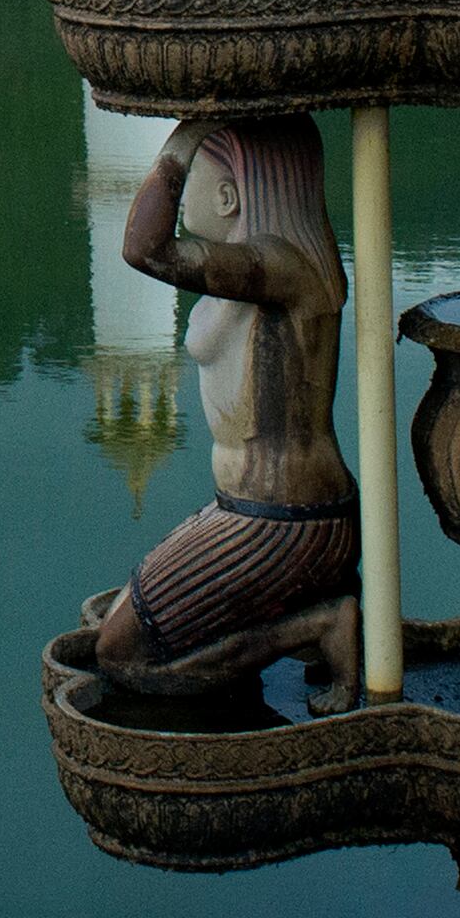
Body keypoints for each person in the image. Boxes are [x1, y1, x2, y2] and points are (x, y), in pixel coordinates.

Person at [87, 115, 361, 698]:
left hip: (282, 519)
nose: (181, 196)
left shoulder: (282, 267)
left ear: (230, 195)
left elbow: (144, 249)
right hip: (256, 507)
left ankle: (318, 625)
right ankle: (307, 624)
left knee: (119, 655)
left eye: (192, 183)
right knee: (109, 618)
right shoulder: (261, 265)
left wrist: (181, 138)